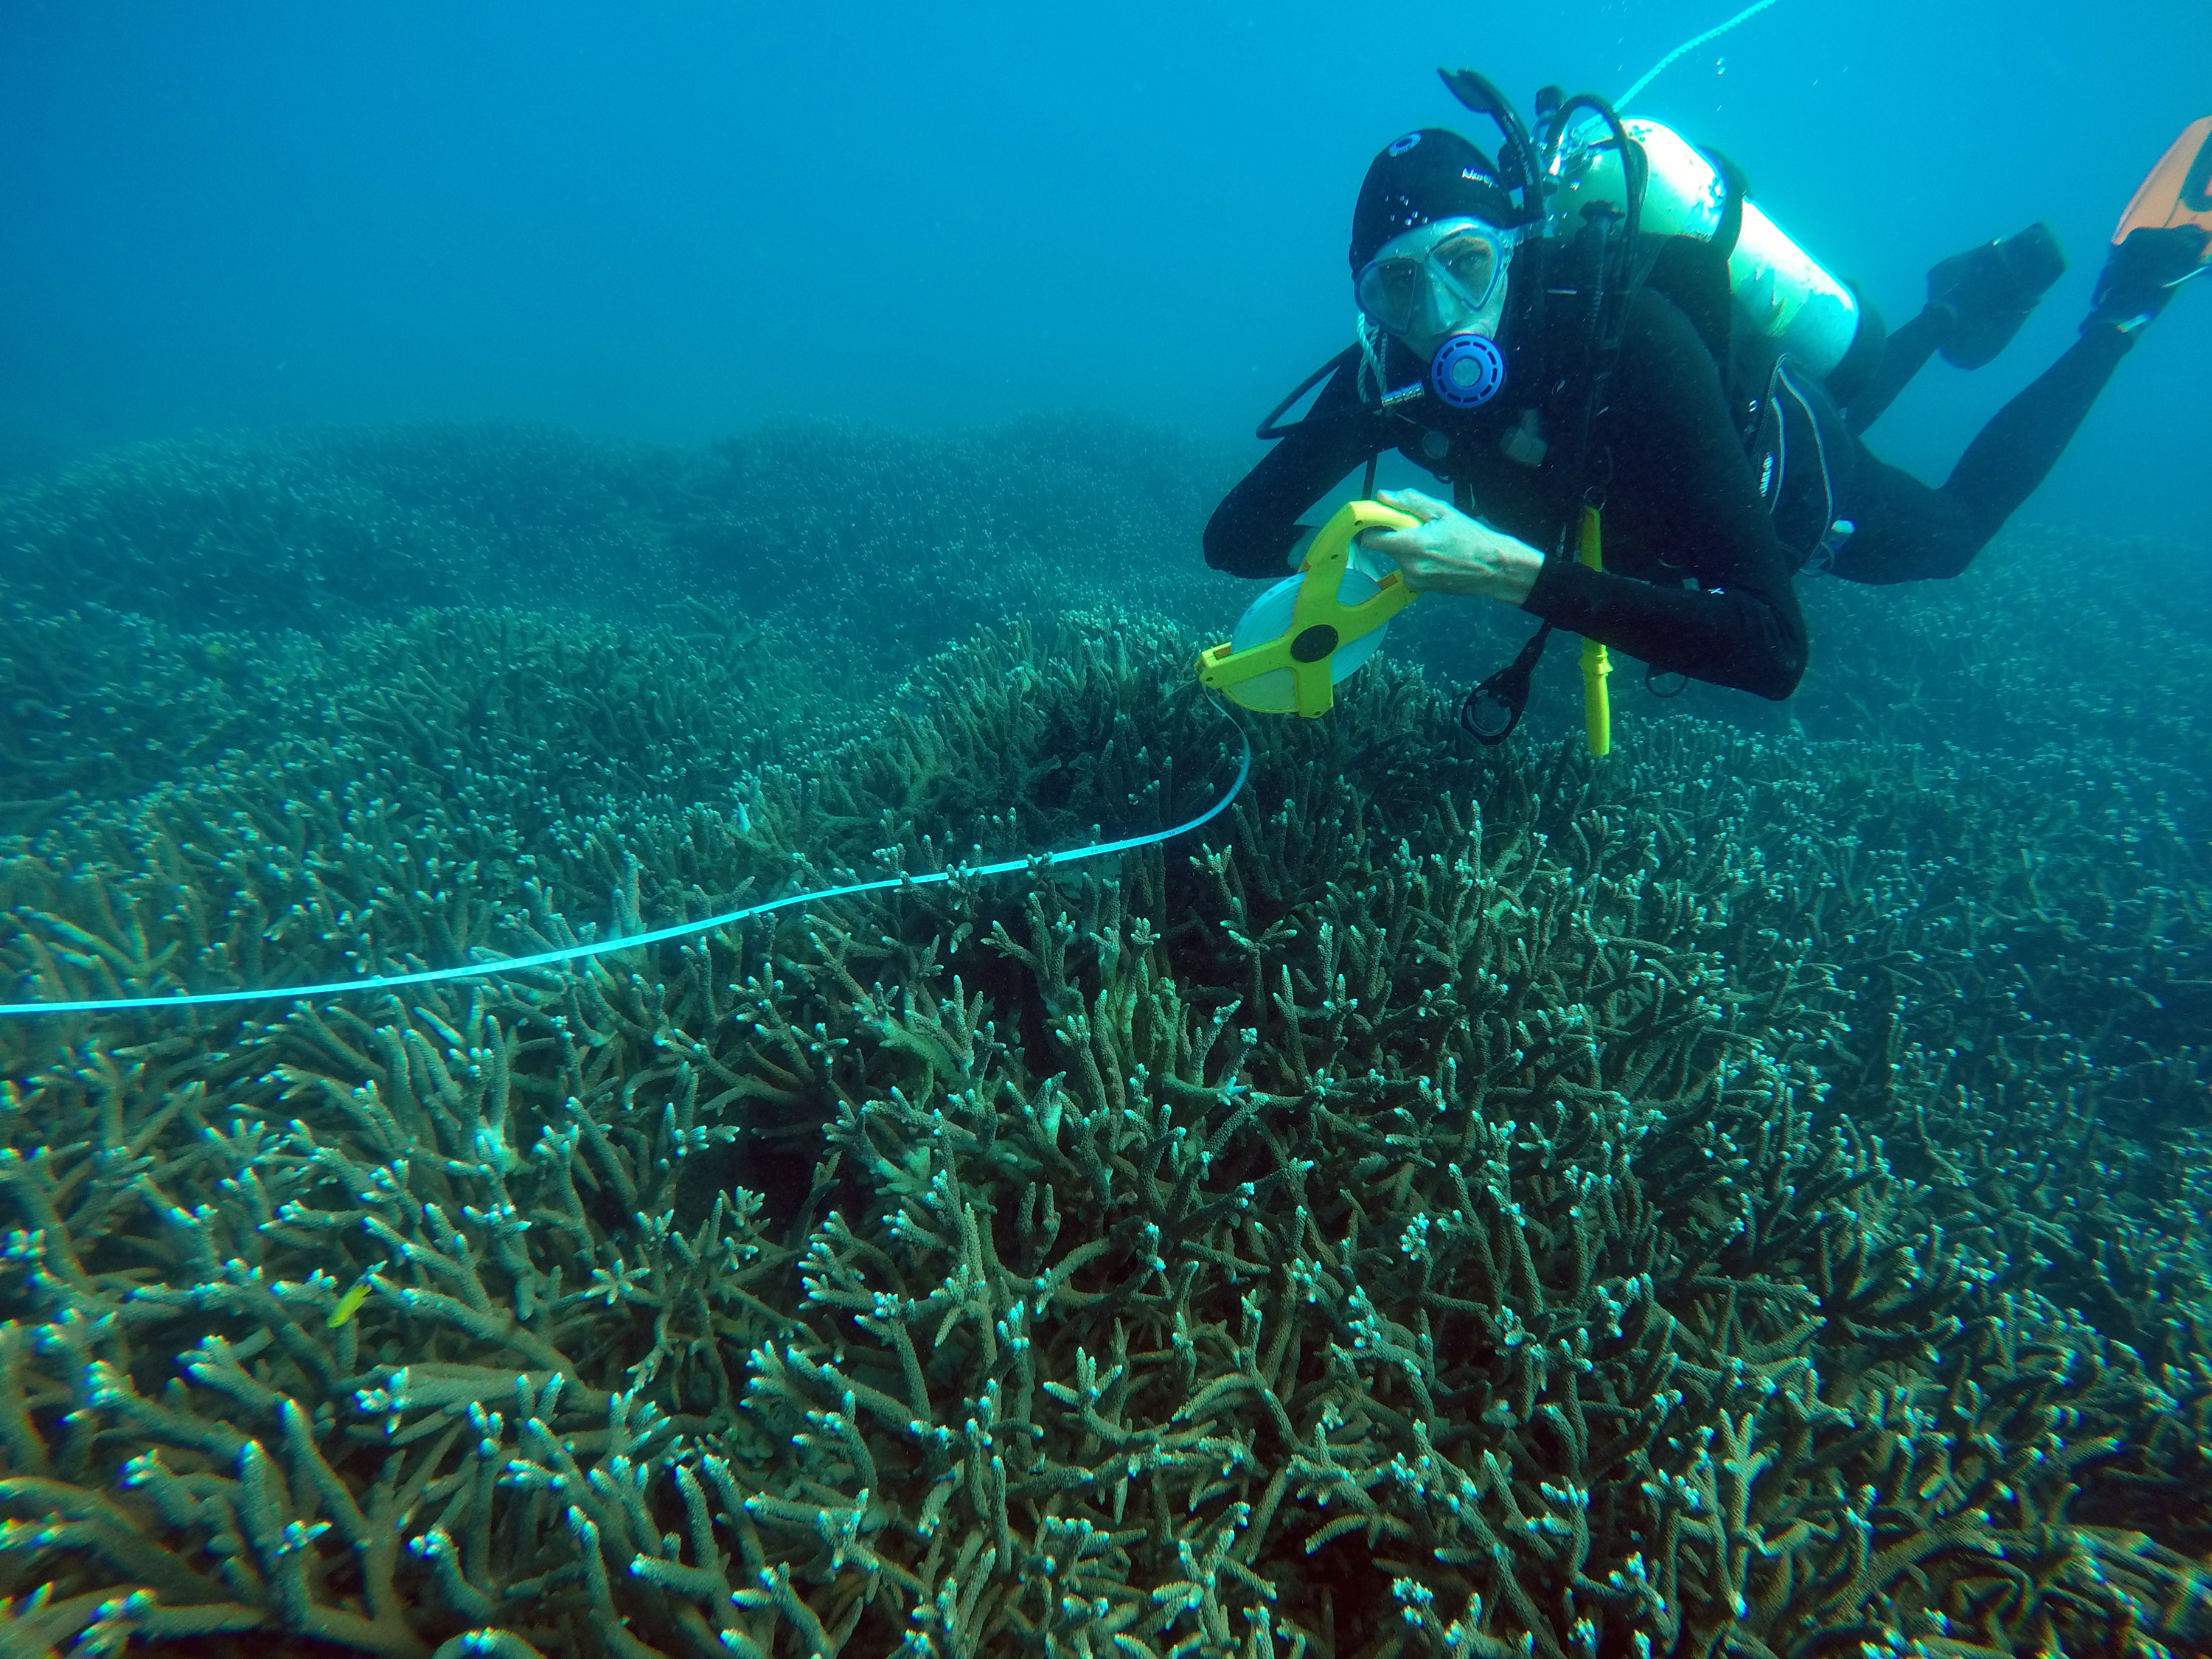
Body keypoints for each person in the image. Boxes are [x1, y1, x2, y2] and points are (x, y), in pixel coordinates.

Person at [1203, 119, 2211, 705]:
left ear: (1515, 249)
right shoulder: (1390, 371)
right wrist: (1360, 554)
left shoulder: (1625, 333)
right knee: (1855, 398)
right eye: (1397, 290)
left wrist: (1508, 573)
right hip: (1634, 503)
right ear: (1367, 306)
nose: (1441, 321)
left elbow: (1773, 649)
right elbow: (1234, 535)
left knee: (1947, 536)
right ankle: (1957, 299)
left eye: (1466, 266)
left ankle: (2124, 309)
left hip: (1773, 478)